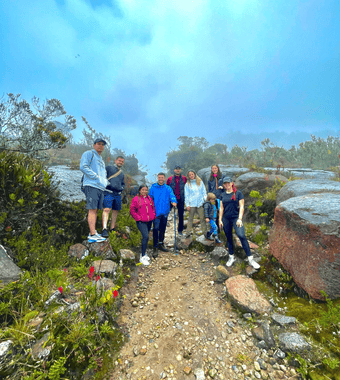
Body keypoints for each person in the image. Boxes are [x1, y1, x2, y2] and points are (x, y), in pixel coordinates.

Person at [218, 176, 260, 269]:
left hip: (236, 218)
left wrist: (240, 219)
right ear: (224, 185)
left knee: (241, 235)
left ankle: (250, 259)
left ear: (232, 183)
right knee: (228, 238)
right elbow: (221, 208)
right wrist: (220, 219)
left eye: (228, 183)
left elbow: (241, 206)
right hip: (226, 218)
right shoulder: (222, 195)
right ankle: (231, 257)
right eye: (225, 183)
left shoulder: (238, 193)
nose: (227, 185)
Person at [80, 138, 109, 243]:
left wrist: (104, 182)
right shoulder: (89, 153)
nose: (101, 146)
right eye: (98, 144)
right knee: (92, 209)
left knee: (96, 209)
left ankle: (94, 232)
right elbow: (83, 167)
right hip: (91, 185)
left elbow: (103, 174)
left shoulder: (101, 159)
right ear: (94, 145)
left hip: (99, 187)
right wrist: (96, 177)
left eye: (102, 145)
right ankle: (92, 234)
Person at [149, 173, 177, 256]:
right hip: (156, 212)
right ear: (157, 178)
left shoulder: (168, 188)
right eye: (159, 177)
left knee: (163, 228)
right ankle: (155, 246)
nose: (160, 179)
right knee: (155, 229)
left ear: (164, 178)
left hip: (165, 212)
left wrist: (174, 201)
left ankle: (161, 243)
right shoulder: (153, 187)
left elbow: (172, 195)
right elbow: (150, 198)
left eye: (162, 177)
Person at [130, 185, 156, 266]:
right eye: (143, 190)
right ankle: (142, 255)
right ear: (139, 190)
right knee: (145, 236)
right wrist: (138, 218)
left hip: (149, 221)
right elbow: (132, 210)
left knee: (146, 236)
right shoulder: (136, 199)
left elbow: (153, 208)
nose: (144, 191)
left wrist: (153, 215)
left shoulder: (149, 198)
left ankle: (144, 252)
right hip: (141, 222)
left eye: (146, 190)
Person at [101, 156, 125, 237]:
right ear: (115, 160)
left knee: (115, 211)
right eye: (119, 160)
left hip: (117, 194)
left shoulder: (122, 173)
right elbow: (102, 177)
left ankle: (112, 228)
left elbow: (123, 183)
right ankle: (104, 229)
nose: (120, 162)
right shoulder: (108, 168)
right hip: (108, 192)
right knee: (106, 209)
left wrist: (122, 188)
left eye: (122, 161)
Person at [184, 170, 207, 237]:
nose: (191, 176)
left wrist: (204, 199)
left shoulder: (200, 182)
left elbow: (204, 192)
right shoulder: (187, 184)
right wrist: (187, 204)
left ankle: (205, 233)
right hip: (192, 204)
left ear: (194, 174)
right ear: (188, 176)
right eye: (190, 175)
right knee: (190, 219)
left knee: (202, 218)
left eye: (192, 174)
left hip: (200, 203)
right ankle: (188, 233)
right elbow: (187, 195)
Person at [166, 165, 187, 236]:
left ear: (180, 170)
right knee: (166, 213)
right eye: (176, 169)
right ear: (174, 170)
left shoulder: (184, 178)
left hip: (181, 199)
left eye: (179, 169)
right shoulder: (170, 179)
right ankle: (163, 228)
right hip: (171, 199)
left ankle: (180, 230)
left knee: (181, 215)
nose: (178, 170)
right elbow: (167, 189)